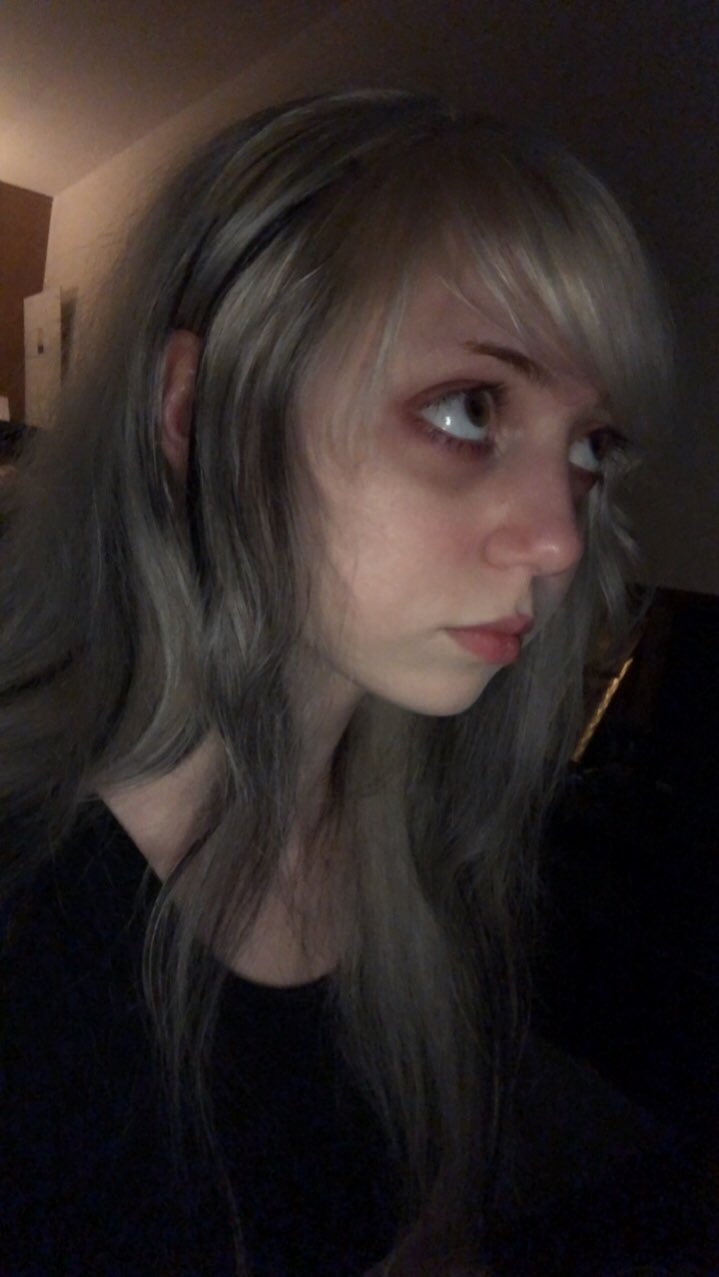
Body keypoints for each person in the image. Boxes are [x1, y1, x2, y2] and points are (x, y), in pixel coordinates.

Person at [0, 90, 683, 1276]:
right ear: (196, 410)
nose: (558, 539)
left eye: (587, 448)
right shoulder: (29, 926)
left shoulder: (439, 857)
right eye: (467, 409)